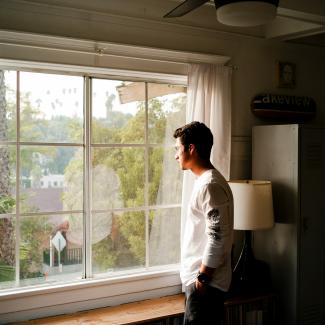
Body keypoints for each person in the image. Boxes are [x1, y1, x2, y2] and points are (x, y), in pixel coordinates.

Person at [173, 121, 234, 325]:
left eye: (178, 149)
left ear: (191, 148)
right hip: (203, 285)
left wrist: (202, 280)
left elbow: (218, 238)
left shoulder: (210, 185)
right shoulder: (206, 181)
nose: (176, 156)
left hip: (206, 287)